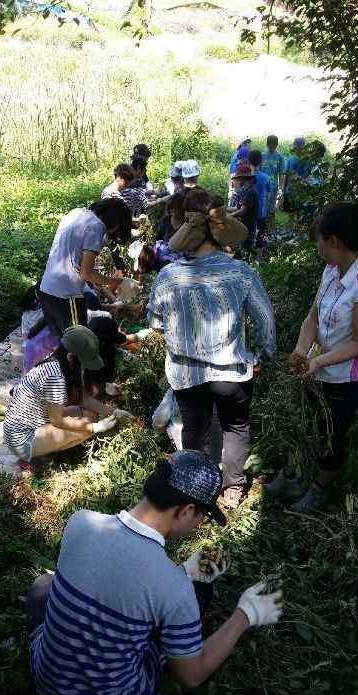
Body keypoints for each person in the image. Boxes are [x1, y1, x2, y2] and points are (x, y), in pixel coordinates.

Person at [26, 450, 283, 695]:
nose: (198, 525)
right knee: (197, 596)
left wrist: (184, 572)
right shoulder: (174, 589)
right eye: (201, 517)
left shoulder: (80, 522)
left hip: (45, 678)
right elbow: (192, 677)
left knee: (44, 585)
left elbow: (115, 573)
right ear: (187, 511)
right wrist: (245, 614)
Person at [148, 189, 276, 509]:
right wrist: (263, 355)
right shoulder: (241, 272)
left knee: (195, 429)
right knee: (236, 427)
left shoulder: (168, 275)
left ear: (186, 229)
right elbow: (266, 322)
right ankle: (232, 487)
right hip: (231, 373)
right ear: (221, 229)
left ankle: (197, 487)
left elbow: (155, 324)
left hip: (185, 372)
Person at [266, 202, 358, 512]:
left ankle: (319, 488)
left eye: (319, 240)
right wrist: (300, 351)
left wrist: (318, 361)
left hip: (346, 377)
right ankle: (295, 474)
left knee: (332, 432)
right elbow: (313, 317)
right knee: (307, 424)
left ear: (333, 241)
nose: (317, 246)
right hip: (316, 367)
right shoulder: (333, 270)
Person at [3, 325, 134, 471]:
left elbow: (83, 399)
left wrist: (114, 411)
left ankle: (47, 449)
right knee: (86, 428)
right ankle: (37, 457)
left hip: (37, 422)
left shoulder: (59, 362)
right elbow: (57, 421)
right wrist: (95, 427)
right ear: (71, 356)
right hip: (22, 439)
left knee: (89, 415)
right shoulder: (56, 377)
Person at [39, 199, 132, 337]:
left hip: (46, 289)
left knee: (64, 341)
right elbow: (86, 273)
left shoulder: (75, 213)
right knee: (79, 343)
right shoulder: (97, 226)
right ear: (116, 222)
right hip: (66, 295)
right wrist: (119, 281)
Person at [228, 163, 260, 253]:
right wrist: (224, 209)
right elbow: (237, 208)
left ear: (243, 178)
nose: (237, 181)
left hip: (248, 228)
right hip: (245, 227)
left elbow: (242, 211)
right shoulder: (246, 190)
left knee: (246, 251)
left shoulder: (251, 192)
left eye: (238, 179)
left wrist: (229, 217)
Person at [249, 150, 271, 257]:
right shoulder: (266, 177)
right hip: (261, 211)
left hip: (248, 212)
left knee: (249, 233)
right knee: (261, 233)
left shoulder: (247, 177)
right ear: (261, 162)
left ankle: (248, 255)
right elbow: (269, 192)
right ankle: (259, 256)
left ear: (249, 162)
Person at [261, 135, 286, 224]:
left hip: (273, 187)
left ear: (276, 145)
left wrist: (280, 188)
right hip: (262, 186)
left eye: (274, 146)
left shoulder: (280, 157)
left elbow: (282, 174)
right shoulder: (262, 155)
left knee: (271, 208)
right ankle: (262, 226)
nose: (272, 148)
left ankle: (271, 226)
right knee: (262, 207)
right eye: (270, 146)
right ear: (267, 144)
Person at [282, 137, 311, 212]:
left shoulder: (291, 159)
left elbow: (286, 175)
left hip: (294, 191)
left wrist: (284, 189)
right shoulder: (308, 160)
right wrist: (284, 189)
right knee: (298, 212)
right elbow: (307, 176)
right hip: (298, 192)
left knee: (292, 212)